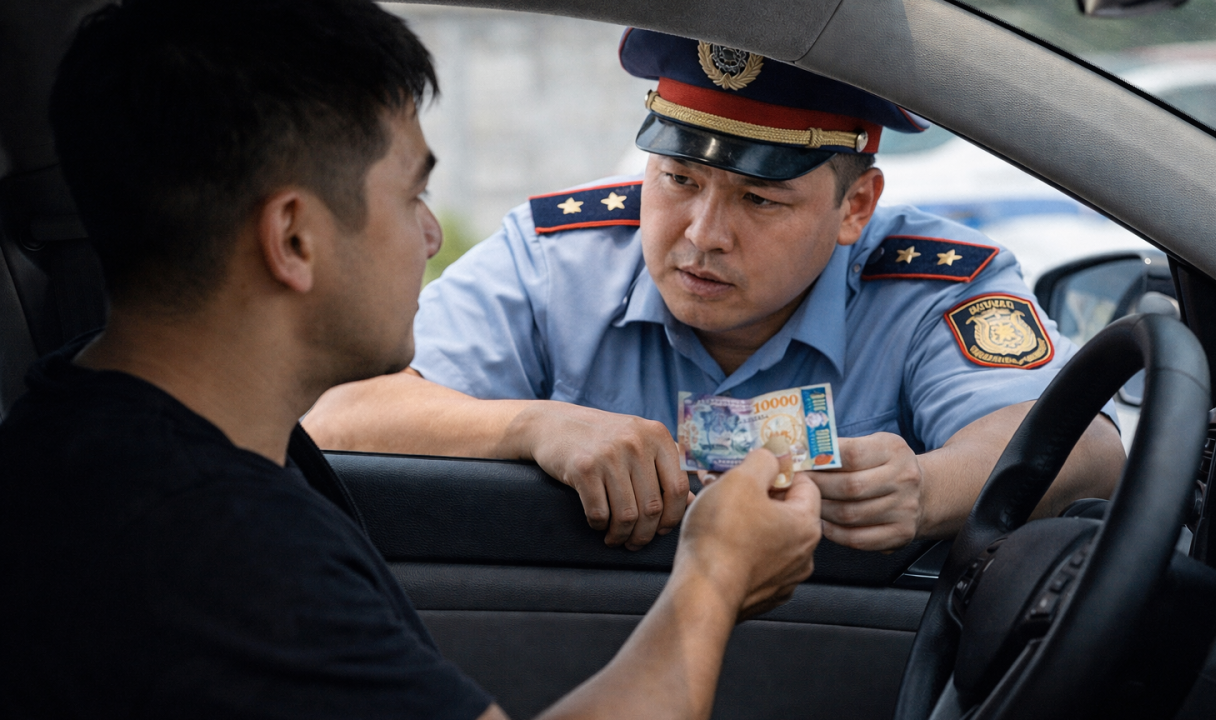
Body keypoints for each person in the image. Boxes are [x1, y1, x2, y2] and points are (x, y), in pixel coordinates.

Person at [0, 2, 823, 719]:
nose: (431, 237)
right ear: (294, 238)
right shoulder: (209, 551)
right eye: (411, 197)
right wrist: (712, 576)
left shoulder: (112, 429)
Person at [304, 29, 1127, 553]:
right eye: (678, 178)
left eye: (759, 199)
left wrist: (926, 489)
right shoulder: (560, 256)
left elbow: (1086, 449)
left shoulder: (933, 281)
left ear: (855, 207)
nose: (702, 233)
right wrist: (532, 426)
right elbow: (336, 416)